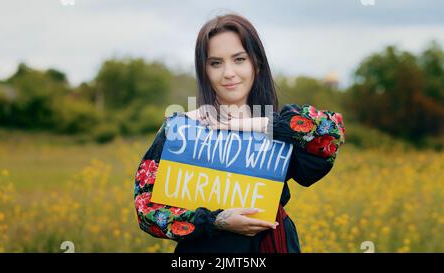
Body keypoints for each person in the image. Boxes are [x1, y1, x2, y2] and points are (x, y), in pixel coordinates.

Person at [133, 13, 345, 253]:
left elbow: (331, 133)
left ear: (257, 63)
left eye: (239, 59)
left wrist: (255, 123)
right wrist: (217, 221)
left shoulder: (278, 127)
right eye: (216, 63)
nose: (228, 73)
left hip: (271, 246)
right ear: (204, 71)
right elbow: (146, 209)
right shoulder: (183, 128)